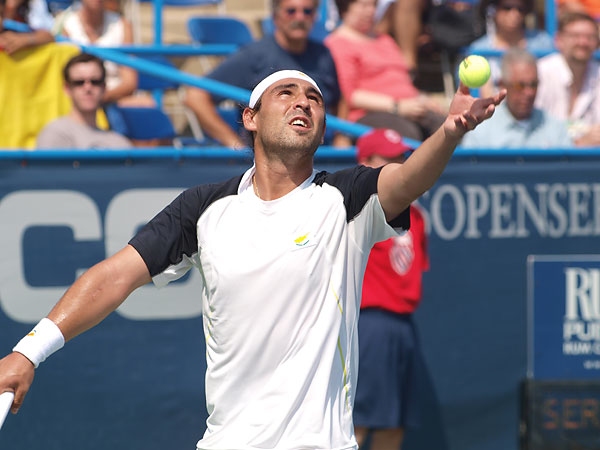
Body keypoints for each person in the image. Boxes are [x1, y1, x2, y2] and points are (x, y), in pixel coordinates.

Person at [0, 69, 504, 450]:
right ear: (250, 118)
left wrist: (449, 132)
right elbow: (114, 277)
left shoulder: (346, 199)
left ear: (321, 127)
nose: (302, 101)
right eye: (286, 93)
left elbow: (407, 179)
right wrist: (29, 351)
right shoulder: (203, 208)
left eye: (314, 98)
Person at [183, 0, 349, 149]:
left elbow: (339, 99)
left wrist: (341, 137)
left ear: (314, 17)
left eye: (307, 11)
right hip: (273, 159)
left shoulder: (323, 54)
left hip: (321, 152)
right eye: (291, 11)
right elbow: (195, 96)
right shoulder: (254, 55)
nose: (299, 18)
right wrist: (233, 144)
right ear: (275, 16)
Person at [353, 128, 429, 450]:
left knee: (395, 424)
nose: (399, 165)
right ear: (366, 162)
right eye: (389, 158)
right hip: (367, 324)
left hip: (402, 325)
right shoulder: (354, 209)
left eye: (401, 157)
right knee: (354, 426)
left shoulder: (417, 216)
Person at [325, 0, 446, 142]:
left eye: (373, 6)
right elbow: (350, 95)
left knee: (445, 127)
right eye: (364, 6)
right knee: (407, 134)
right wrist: (397, 107)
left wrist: (423, 100)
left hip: (407, 107)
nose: (371, 11)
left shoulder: (385, 39)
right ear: (345, 9)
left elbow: (401, 82)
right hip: (368, 114)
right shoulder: (338, 42)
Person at [461, 48, 573, 148]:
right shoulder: (481, 131)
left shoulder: (556, 129)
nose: (529, 92)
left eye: (534, 84)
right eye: (520, 86)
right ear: (502, 85)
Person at [52, 0, 145, 106]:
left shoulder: (122, 25)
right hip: (79, 101)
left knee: (147, 104)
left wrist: (100, 97)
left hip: (112, 98)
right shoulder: (66, 26)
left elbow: (129, 82)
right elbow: (65, 79)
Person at [36, 52, 132, 149]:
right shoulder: (54, 133)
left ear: (104, 87)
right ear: (67, 88)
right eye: (79, 82)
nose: (88, 88)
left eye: (95, 82)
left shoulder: (119, 142)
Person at [535, 11, 600, 146]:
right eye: (575, 36)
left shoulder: (598, 73)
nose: (583, 42)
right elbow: (531, 131)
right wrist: (578, 143)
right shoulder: (540, 72)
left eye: (590, 37)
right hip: (545, 155)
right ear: (558, 40)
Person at [467, 0, 554, 98]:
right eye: (507, 8)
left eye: (521, 9)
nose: (514, 13)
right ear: (493, 10)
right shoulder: (478, 50)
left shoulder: (543, 43)